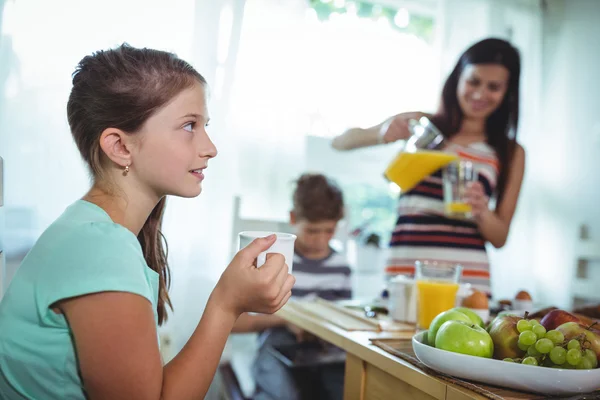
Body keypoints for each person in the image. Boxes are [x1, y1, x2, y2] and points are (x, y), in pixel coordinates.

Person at [0, 44, 295, 400]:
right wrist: (226, 304)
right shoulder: (100, 250)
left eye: (205, 125)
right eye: (189, 125)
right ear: (120, 147)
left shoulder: (90, 231)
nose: (210, 147)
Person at [331, 38, 526, 295]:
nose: (480, 94)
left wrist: (481, 211)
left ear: (507, 93)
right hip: (404, 275)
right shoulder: (421, 126)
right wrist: (382, 134)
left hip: (466, 283)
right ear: (457, 78)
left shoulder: (511, 152)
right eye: (474, 81)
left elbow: (500, 237)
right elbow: (340, 142)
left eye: (494, 87)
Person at [232, 173, 351, 400]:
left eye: (329, 231)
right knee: (280, 391)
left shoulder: (342, 267)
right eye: (312, 231)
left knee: (344, 387)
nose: (320, 240)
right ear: (293, 218)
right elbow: (235, 322)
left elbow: (342, 318)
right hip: (276, 347)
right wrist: (289, 319)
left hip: (325, 351)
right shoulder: (273, 260)